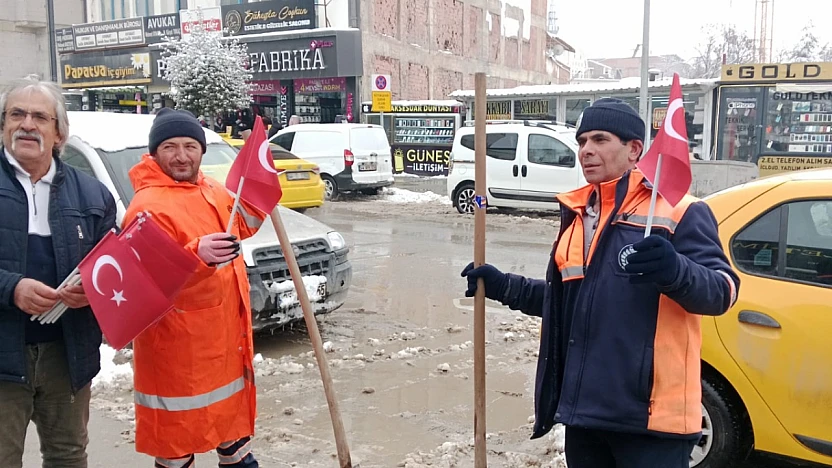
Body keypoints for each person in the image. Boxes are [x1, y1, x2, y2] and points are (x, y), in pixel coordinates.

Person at [461, 98, 740, 468]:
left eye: (599, 139)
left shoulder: (681, 210)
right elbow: (568, 302)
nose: (586, 150)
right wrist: (504, 286)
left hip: (652, 422)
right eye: (581, 142)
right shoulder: (578, 216)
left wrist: (674, 270)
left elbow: (722, 291)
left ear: (634, 149)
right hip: (586, 416)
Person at [122, 108, 265, 468]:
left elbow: (243, 221)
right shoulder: (147, 206)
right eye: (170, 147)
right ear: (154, 153)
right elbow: (141, 284)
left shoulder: (210, 190)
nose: (181, 156)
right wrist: (195, 255)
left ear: (202, 150)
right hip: (177, 355)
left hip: (223, 347)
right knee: (178, 446)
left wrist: (261, 187)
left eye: (190, 145)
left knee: (232, 439)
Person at [0, 75, 117, 467]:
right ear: (3, 125)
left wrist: (94, 290)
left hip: (67, 354)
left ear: (59, 133)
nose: (27, 124)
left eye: (40, 117)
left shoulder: (92, 194)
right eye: (17, 114)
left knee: (68, 456)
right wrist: (11, 288)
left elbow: (113, 267)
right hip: (2, 353)